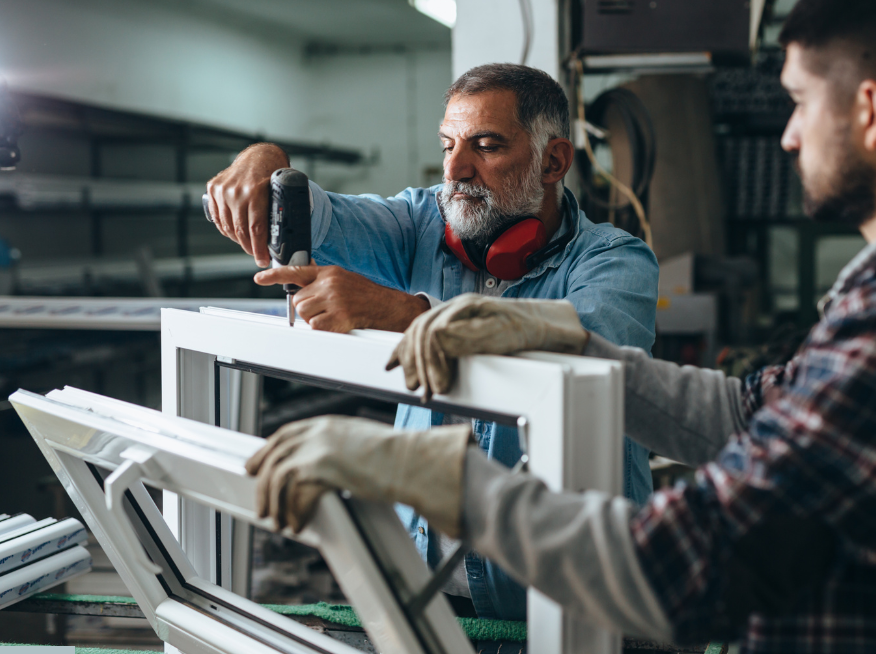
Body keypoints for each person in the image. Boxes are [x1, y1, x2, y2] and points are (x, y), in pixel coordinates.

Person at [245, 0, 876, 652]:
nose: (791, 134)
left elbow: (684, 572)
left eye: (799, 103)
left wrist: (448, 479)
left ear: (871, 111)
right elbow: (751, 410)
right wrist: (566, 348)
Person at [205, 63, 659, 620]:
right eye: (448, 146)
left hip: (571, 598)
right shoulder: (423, 222)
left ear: (553, 161)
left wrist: (408, 315)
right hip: (424, 588)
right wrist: (265, 166)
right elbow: (316, 216)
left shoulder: (615, 261)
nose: (456, 169)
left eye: (486, 147)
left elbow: (581, 365)